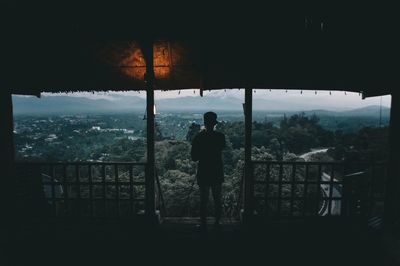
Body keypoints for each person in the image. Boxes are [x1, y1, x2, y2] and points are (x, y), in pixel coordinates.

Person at [191, 111, 226, 230]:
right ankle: (218, 222)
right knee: (217, 198)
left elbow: (194, 157)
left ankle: (203, 223)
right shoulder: (220, 137)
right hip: (216, 170)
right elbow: (221, 149)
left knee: (204, 199)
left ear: (205, 123)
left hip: (203, 170)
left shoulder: (198, 137)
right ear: (214, 123)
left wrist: (203, 154)